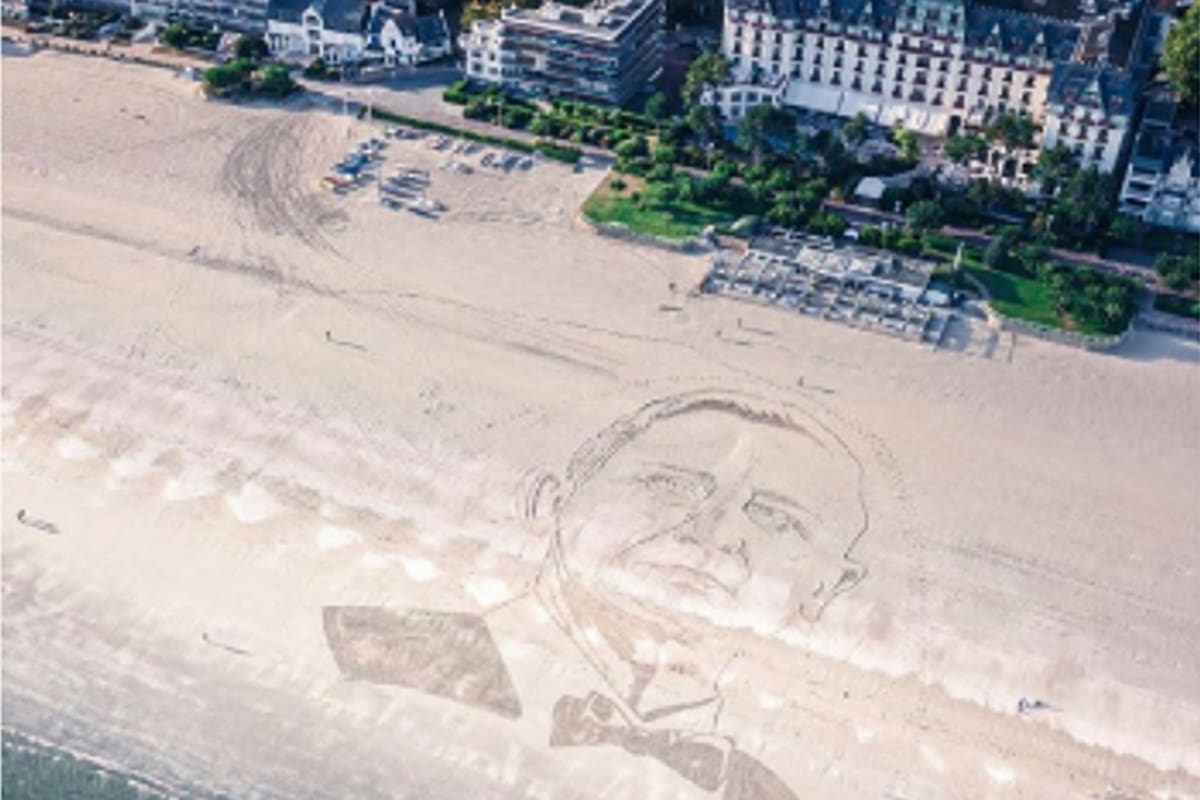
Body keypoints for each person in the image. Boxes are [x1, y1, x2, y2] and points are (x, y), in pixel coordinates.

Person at [325, 389, 873, 799]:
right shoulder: (372, 652)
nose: (711, 535)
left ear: (827, 587)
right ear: (550, 501)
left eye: (776, 519)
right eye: (669, 485)